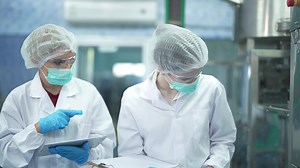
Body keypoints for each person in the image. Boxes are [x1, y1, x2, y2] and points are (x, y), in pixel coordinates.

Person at [117, 24, 237, 168]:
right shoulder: (133, 98)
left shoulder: (211, 88)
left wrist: (213, 164)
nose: (194, 82)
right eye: (186, 79)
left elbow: (223, 139)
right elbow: (131, 154)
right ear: (161, 67)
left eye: (197, 75)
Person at [0, 24, 116, 167]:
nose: (67, 67)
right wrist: (37, 129)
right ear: (37, 60)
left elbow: (107, 145)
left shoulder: (89, 93)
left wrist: (88, 156)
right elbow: (6, 157)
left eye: (71, 59)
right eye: (58, 62)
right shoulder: (18, 98)